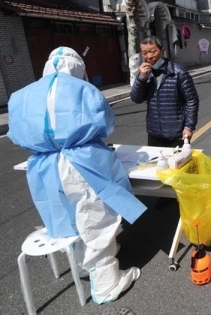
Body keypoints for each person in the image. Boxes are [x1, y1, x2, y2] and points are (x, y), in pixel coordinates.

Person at [8, 47, 147, 304]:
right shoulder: (85, 90)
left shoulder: (21, 95)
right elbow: (106, 124)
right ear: (79, 69)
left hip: (44, 166)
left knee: (68, 218)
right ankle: (107, 283)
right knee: (97, 219)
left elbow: (16, 134)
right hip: (83, 163)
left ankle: (85, 265)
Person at [130, 36, 199, 148]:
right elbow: (136, 99)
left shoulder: (178, 73)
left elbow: (191, 100)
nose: (149, 56)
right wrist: (141, 78)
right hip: (154, 133)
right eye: (145, 53)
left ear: (162, 51)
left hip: (177, 133)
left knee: (178, 165)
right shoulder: (145, 74)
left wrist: (189, 126)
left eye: (153, 51)